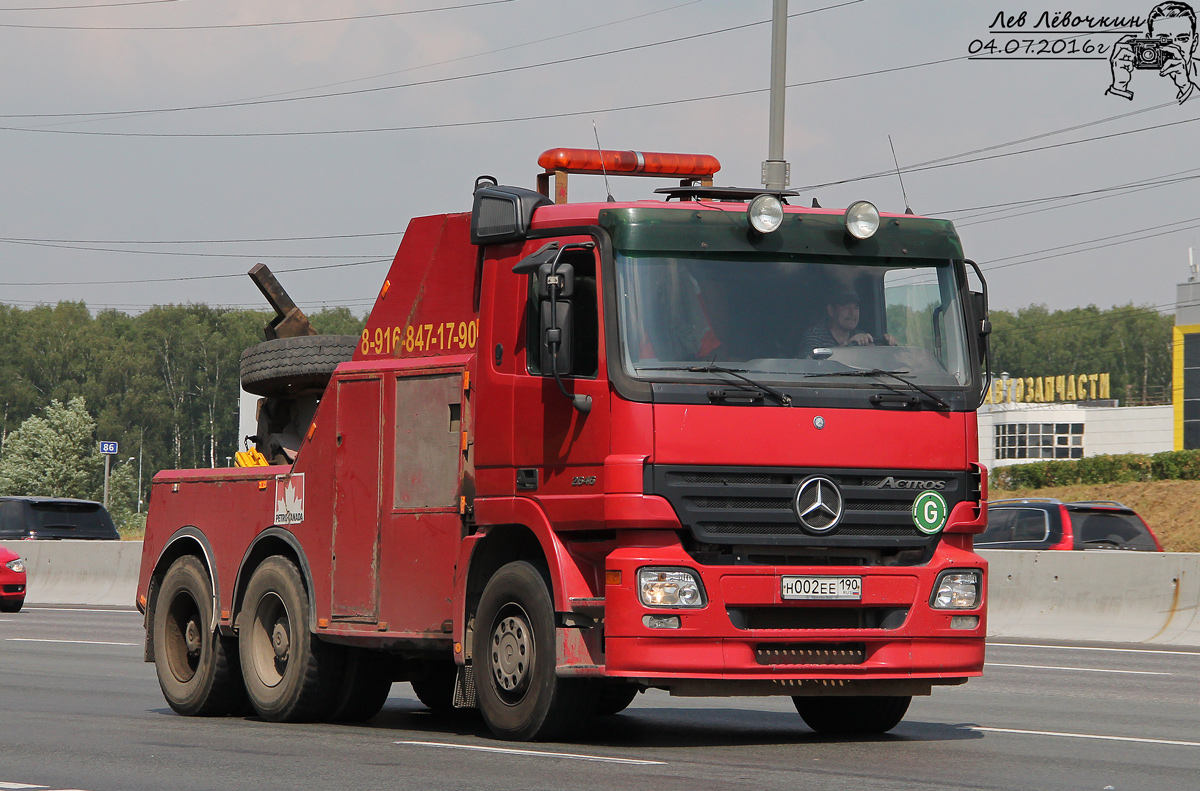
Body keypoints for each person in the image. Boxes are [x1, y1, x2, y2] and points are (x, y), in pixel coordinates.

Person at [1108, 1, 1200, 104]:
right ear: (1149, 41)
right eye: (1162, 40)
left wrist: (1186, 87)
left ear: (1195, 42)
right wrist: (1119, 87)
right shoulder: (1133, 72)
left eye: (1183, 39)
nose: (1173, 47)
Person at [801, 289, 895, 356]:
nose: (852, 312)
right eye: (846, 307)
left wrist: (886, 347)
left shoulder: (860, 335)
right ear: (831, 310)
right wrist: (847, 344)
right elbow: (809, 363)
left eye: (856, 308)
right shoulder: (815, 335)